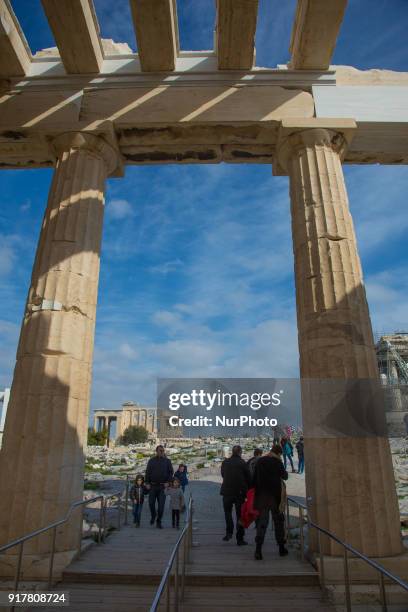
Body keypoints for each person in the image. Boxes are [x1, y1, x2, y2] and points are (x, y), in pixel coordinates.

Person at [253, 444, 288, 560]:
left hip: (262, 497)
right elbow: (285, 476)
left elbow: (253, 479)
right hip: (275, 497)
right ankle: (281, 548)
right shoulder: (277, 462)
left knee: (262, 524)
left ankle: (258, 550)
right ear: (278, 453)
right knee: (278, 523)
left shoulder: (260, 461)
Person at [220, 445, 251, 545]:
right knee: (240, 516)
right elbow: (249, 478)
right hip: (240, 493)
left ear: (232, 452)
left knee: (227, 513)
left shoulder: (225, 462)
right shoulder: (243, 463)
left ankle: (229, 532)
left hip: (227, 492)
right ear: (240, 452)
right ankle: (240, 538)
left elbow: (223, 474)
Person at [145, 445, 173, 529]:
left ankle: (159, 521)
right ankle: (153, 515)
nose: (162, 452)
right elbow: (147, 472)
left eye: (163, 450)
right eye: (160, 450)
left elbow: (171, 472)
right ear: (156, 451)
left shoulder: (167, 461)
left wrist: (168, 482)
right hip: (153, 486)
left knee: (161, 507)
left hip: (162, 487)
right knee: (150, 503)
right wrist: (147, 483)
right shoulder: (151, 461)